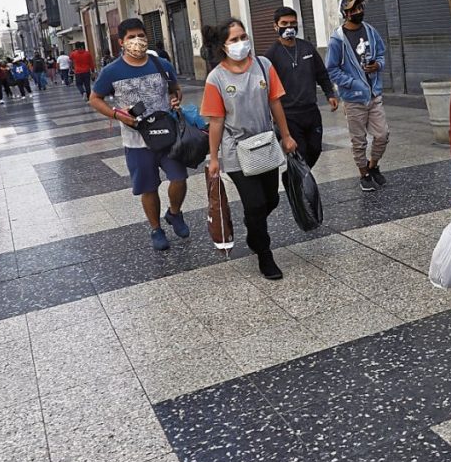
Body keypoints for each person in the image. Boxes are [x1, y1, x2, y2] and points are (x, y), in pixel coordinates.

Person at [201, 19, 298, 280]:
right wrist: (213, 158)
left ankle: (253, 226)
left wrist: (286, 136)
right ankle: (265, 255)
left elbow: (275, 103)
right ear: (223, 46)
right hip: (235, 150)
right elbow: (216, 120)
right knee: (255, 203)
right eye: (234, 40)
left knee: (271, 200)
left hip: (265, 144)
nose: (241, 43)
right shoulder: (216, 78)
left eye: (243, 36)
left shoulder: (264, 67)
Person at [88, 19, 188, 251]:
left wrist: (176, 99)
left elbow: (176, 89)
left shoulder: (161, 64)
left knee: (179, 178)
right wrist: (116, 114)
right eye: (131, 37)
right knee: (148, 187)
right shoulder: (111, 71)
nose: (137, 41)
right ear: (121, 42)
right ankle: (156, 229)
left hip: (167, 134)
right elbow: (94, 99)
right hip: (136, 141)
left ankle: (174, 213)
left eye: (141, 35)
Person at [326, 0, 390, 192]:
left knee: (382, 134)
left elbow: (381, 52)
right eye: (353, 9)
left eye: (360, 7)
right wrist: (353, 83)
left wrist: (377, 65)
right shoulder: (338, 39)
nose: (358, 11)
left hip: (374, 94)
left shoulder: (370, 30)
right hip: (353, 98)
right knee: (359, 140)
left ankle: (373, 165)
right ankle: (364, 174)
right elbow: (332, 69)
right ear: (345, 13)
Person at [264, 7, 338, 167]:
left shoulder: (307, 47)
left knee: (315, 149)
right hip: (289, 114)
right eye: (284, 23)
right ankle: (301, 185)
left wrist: (330, 93)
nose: (289, 27)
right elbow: (267, 89)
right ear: (275, 26)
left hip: (311, 110)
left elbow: (321, 73)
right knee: (301, 152)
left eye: (293, 23)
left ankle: (298, 177)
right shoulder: (270, 55)